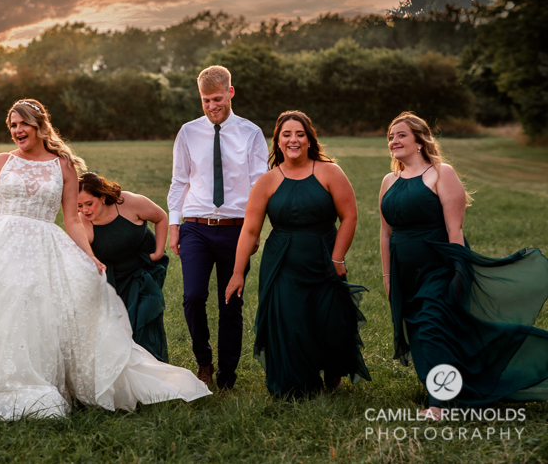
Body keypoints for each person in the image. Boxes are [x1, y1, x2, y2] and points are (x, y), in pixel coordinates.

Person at [0, 99, 210, 420]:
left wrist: (89, 257)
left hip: (42, 246)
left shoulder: (63, 166)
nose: (17, 131)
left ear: (39, 126)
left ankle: (40, 376)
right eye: (12, 125)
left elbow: (72, 220)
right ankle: (2, 378)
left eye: (22, 124)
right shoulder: (1, 162)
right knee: (6, 312)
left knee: (38, 312)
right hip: (0, 245)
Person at [380, 111, 548, 419]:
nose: (394, 140)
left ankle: (438, 405)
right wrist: (388, 276)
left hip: (440, 267)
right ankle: (450, 386)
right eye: (391, 136)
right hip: (405, 273)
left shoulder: (442, 173)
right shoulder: (389, 180)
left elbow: (454, 229)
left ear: (419, 141)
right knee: (419, 334)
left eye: (401, 135)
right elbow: (385, 232)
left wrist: (458, 272)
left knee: (432, 329)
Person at [226, 111, 370, 397]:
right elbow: (251, 231)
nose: (293, 139)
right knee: (291, 323)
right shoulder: (266, 182)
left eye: (300, 134)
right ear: (277, 142)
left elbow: (349, 217)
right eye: (287, 134)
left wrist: (338, 258)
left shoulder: (330, 172)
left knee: (329, 321)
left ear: (309, 139)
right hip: (283, 262)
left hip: (324, 257)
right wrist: (237, 272)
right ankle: (297, 381)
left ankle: (332, 370)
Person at [167, 65, 269, 389]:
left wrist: (253, 233)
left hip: (236, 229)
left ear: (230, 93)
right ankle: (203, 362)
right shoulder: (187, 133)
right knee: (193, 296)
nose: (212, 106)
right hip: (195, 226)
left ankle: (227, 375)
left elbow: (259, 187)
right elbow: (179, 181)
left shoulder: (251, 134)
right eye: (205, 101)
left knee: (231, 302)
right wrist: (174, 224)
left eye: (217, 99)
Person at [77, 172, 171, 362]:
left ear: (102, 197)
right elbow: (82, 256)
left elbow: (160, 217)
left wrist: (159, 251)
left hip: (143, 270)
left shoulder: (129, 202)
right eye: (79, 205)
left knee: (147, 314)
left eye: (89, 203)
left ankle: (153, 368)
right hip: (112, 279)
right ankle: (126, 370)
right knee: (120, 328)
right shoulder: (82, 222)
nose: (85, 210)